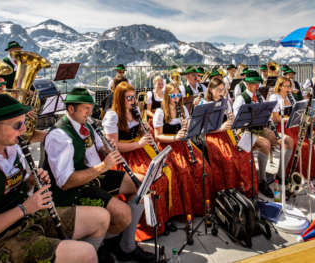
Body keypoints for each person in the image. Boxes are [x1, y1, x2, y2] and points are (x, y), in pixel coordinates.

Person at [0, 94, 111, 263]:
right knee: (85, 254)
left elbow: (12, 188)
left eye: (24, 123)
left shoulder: (13, 149)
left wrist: (31, 182)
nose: (24, 130)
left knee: (100, 218)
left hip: (23, 221)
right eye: (18, 125)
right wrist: (24, 209)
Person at [44, 87, 154, 262]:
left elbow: (98, 147)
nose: (90, 111)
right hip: (75, 189)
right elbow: (66, 182)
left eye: (91, 107)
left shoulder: (86, 124)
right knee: (123, 214)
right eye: (85, 108)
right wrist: (104, 166)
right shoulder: (60, 136)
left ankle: (125, 245)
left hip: (95, 176)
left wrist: (106, 147)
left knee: (142, 185)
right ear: (71, 109)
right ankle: (100, 244)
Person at [102, 82, 182, 239]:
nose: (133, 101)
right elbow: (113, 147)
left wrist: (142, 128)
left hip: (140, 150)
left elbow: (137, 131)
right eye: (129, 98)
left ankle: (162, 220)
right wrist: (138, 143)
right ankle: (146, 226)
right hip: (124, 156)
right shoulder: (113, 116)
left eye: (133, 96)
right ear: (119, 99)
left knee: (165, 171)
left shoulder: (135, 110)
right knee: (149, 180)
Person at [153, 83, 210, 215]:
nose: (177, 97)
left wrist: (188, 126)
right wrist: (175, 138)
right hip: (168, 146)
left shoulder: (182, 108)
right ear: (167, 96)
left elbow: (189, 129)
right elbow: (157, 136)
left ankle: (200, 206)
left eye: (178, 94)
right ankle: (185, 210)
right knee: (184, 172)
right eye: (173, 95)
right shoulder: (160, 111)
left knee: (203, 166)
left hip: (183, 144)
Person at [203, 77, 257, 196]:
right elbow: (204, 129)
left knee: (246, 153)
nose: (221, 93)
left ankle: (244, 188)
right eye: (218, 90)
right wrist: (221, 128)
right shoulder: (206, 104)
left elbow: (230, 122)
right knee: (230, 158)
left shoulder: (225, 102)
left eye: (223, 90)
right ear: (211, 90)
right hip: (213, 137)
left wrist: (232, 121)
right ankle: (228, 191)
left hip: (227, 134)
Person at [233, 70, 279, 197]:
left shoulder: (260, 97)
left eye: (258, 83)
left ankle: (280, 175)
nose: (257, 86)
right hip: (245, 131)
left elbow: (267, 114)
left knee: (279, 140)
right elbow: (238, 122)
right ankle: (262, 180)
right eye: (254, 84)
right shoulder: (241, 99)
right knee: (265, 144)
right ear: (247, 84)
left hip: (259, 128)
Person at [269, 77, 315, 180]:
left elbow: (296, 111)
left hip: (294, 126)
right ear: (280, 86)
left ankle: (305, 173)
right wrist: (291, 119)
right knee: (295, 144)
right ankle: (291, 172)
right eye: (285, 86)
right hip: (282, 127)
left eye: (289, 86)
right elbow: (276, 118)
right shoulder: (275, 97)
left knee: (308, 144)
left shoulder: (290, 97)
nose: (288, 88)